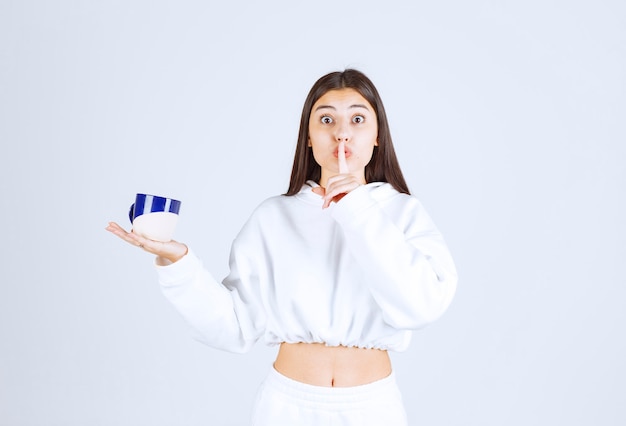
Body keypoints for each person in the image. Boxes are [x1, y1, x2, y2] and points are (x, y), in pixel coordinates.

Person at [106, 69, 457, 425]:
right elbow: (234, 327)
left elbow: (421, 306)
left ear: (377, 134)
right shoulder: (274, 218)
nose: (341, 133)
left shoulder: (401, 212)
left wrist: (358, 208)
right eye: (326, 119)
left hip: (372, 408)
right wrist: (178, 262)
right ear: (308, 136)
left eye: (357, 118)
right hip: (288, 407)